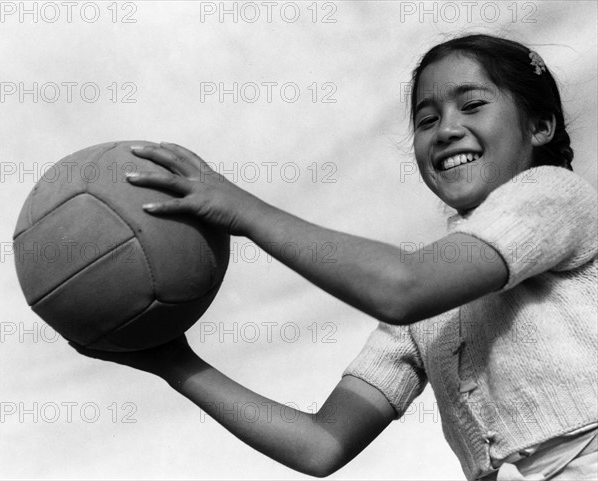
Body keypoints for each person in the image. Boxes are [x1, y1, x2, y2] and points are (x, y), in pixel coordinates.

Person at [72, 34, 597, 480]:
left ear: (539, 127)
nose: (446, 129)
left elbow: (401, 287)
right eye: (426, 119)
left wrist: (243, 210)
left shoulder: (554, 196)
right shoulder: (428, 317)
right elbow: (321, 445)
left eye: (473, 104)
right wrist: (173, 363)